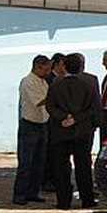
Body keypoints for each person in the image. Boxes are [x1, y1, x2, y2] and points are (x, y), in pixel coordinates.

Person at [46, 54, 96, 209]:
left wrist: (63, 117)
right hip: (81, 131)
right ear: (81, 66)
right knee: (83, 167)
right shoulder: (89, 82)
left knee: (61, 168)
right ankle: (87, 199)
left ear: (65, 67)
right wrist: (76, 118)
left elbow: (50, 105)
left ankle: (63, 201)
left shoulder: (56, 83)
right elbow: (93, 108)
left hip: (61, 131)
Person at [12, 55, 51, 205]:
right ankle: (20, 194)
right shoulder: (28, 82)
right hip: (30, 124)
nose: (48, 72)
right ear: (38, 67)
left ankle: (32, 192)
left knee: (39, 161)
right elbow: (39, 101)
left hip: (42, 123)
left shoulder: (43, 82)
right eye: (46, 69)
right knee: (26, 162)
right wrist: (54, 96)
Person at [42, 52, 68, 192]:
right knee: (49, 153)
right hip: (51, 120)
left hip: (58, 121)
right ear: (57, 64)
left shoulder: (58, 79)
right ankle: (48, 180)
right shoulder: (50, 79)